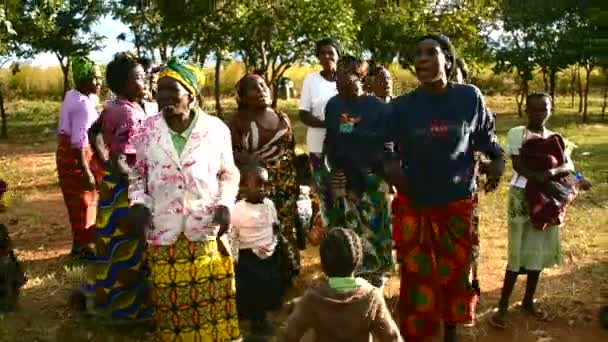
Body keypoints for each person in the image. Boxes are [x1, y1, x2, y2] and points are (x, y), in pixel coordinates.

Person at [388, 35, 504, 342]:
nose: (422, 59)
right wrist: (394, 171)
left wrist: (497, 161)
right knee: (417, 277)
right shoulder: (402, 108)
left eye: (430, 53)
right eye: (417, 54)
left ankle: (450, 334)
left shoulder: (468, 98)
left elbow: (485, 138)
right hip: (416, 205)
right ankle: (418, 336)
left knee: (454, 275)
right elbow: (383, 146)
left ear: (448, 61)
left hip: (456, 205)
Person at [129, 58, 242, 341]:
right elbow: (136, 175)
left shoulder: (216, 129)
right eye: (160, 91)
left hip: (205, 229)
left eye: (172, 90)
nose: (164, 97)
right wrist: (139, 203)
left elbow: (229, 174)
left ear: (190, 94)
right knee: (172, 310)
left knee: (212, 305)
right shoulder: (146, 130)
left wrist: (225, 204)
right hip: (164, 230)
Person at [489, 93, 591, 329]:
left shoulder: (556, 139)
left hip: (546, 198)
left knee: (537, 249)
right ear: (527, 110)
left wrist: (574, 178)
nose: (539, 113)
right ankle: (503, 306)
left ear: (550, 110)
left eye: (544, 109)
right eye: (534, 109)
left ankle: (528, 302)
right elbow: (518, 165)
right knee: (517, 252)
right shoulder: (518, 134)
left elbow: (568, 166)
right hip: (521, 197)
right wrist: (538, 177)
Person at [75, 52, 154, 323]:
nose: (145, 81)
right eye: (140, 78)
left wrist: (102, 160)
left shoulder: (116, 105)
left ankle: (112, 300)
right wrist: (138, 189)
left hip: (113, 188)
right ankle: (128, 311)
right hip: (126, 192)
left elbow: (93, 131)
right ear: (126, 83)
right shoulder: (128, 114)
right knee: (129, 250)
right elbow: (122, 160)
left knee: (113, 249)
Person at [322, 59, 393, 288]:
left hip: (373, 178)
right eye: (338, 79)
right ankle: (355, 274)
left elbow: (389, 143)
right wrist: (333, 172)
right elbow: (333, 139)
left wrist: (383, 173)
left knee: (376, 228)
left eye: (348, 75)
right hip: (345, 179)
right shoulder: (333, 106)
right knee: (350, 230)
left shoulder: (377, 106)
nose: (342, 80)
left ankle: (377, 275)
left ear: (359, 78)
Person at [229, 74, 303, 285]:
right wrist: (251, 162)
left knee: (285, 228)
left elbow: (291, 150)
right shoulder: (238, 122)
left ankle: (290, 273)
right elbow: (229, 154)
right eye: (254, 88)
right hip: (258, 187)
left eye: (263, 85)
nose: (261, 90)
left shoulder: (282, 117)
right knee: (261, 231)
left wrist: (299, 182)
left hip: (286, 185)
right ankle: (264, 278)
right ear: (242, 97)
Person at [284, 228, 403, 342]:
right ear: (358, 262)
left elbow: (290, 334)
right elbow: (392, 337)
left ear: (323, 266)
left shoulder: (312, 298)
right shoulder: (372, 297)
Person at [230, 155, 285, 335]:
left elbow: (274, 225)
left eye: (266, 184)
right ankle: (254, 321)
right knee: (251, 290)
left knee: (267, 287)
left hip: (268, 255)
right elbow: (233, 234)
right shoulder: (238, 209)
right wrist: (235, 257)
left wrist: (274, 242)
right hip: (248, 258)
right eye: (259, 184)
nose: (264, 189)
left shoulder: (269, 205)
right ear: (244, 188)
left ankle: (263, 318)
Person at [56, 56, 103, 258]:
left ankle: (78, 245)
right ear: (84, 80)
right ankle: (86, 248)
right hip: (78, 157)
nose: (99, 82)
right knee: (86, 200)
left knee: (75, 202)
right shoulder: (83, 105)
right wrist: (86, 172)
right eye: (95, 78)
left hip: (65, 155)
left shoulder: (72, 95)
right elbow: (79, 141)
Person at [298, 38, 341, 235]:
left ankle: (346, 229)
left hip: (343, 144)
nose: (327, 56)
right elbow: (304, 114)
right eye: (322, 53)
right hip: (317, 145)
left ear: (338, 55)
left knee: (343, 186)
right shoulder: (311, 80)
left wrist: (340, 129)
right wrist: (327, 125)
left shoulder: (346, 79)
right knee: (324, 189)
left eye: (331, 52)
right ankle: (330, 230)